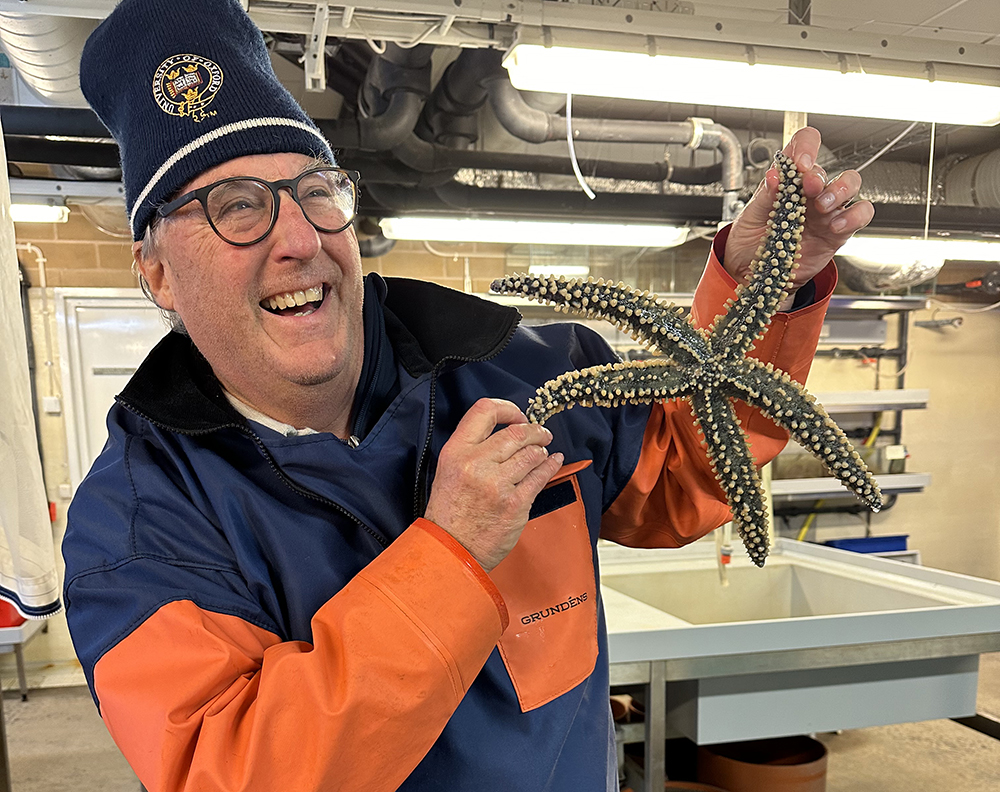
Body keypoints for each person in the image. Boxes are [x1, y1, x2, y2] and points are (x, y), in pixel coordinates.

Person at [61, 0, 874, 790]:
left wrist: (768, 283)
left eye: (316, 192)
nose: (301, 239)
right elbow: (232, 770)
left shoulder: (528, 378)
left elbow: (686, 470)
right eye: (237, 207)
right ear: (158, 272)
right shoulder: (137, 531)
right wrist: (449, 558)